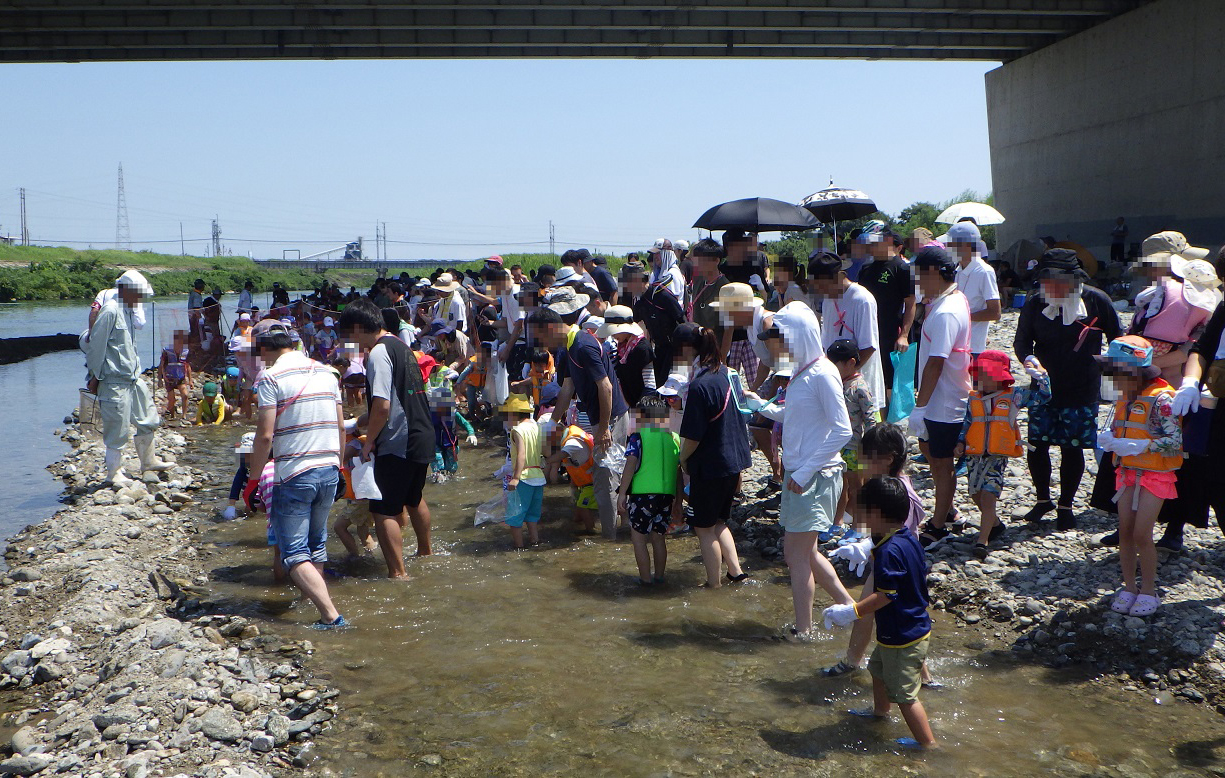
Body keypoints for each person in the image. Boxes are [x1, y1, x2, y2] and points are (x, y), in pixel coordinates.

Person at [743, 304, 853, 636]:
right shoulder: (804, 371)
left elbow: (843, 430)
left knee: (795, 555)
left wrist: (804, 473)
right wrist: (762, 407)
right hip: (800, 474)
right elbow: (797, 415)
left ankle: (803, 632)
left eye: (779, 340)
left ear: (798, 337)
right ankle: (853, 609)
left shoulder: (823, 372)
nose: (776, 347)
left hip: (814, 476)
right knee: (806, 552)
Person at [822, 476, 937, 750]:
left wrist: (852, 612)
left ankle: (928, 744)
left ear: (876, 513)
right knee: (878, 670)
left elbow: (886, 596)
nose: (858, 515)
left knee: (905, 695)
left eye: (862, 510)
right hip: (908, 628)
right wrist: (867, 550)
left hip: (902, 635)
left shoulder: (889, 551)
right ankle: (880, 714)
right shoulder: (904, 537)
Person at [248, 318, 347, 629]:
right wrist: (340, 466)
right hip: (329, 467)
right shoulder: (327, 372)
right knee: (316, 544)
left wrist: (252, 481)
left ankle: (331, 616)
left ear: (264, 348)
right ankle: (311, 601)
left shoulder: (270, 377)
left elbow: (264, 436)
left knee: (292, 554)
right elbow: (341, 425)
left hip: (295, 473)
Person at [1014, 248, 1121, 531]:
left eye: (1060, 282)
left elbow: (1119, 340)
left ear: (1074, 280)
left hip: (1082, 385)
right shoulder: (1036, 303)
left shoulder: (1097, 301)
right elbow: (1022, 342)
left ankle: (1066, 504)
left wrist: (1113, 372)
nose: (1053, 288)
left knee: (1072, 448)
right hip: (1044, 385)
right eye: (1048, 282)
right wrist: (1029, 360)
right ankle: (1042, 499)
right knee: (1037, 445)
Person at [338, 298, 437, 578]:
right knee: (414, 497)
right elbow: (393, 402)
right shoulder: (401, 346)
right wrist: (357, 422)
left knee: (384, 509)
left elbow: (382, 406)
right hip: (421, 434)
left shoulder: (379, 353)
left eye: (347, 334)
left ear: (358, 328)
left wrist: (368, 444)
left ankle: (398, 574)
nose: (348, 342)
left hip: (398, 441)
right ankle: (425, 554)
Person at [822, 424, 929, 681]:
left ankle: (853, 662)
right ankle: (923, 678)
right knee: (894, 619)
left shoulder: (900, 492)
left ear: (888, 459)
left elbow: (898, 534)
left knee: (873, 612)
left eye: (866, 459)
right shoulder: (886, 484)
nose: (861, 465)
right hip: (885, 559)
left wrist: (865, 546)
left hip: (897, 566)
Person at [1097, 336, 1182, 617]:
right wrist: (1110, 438)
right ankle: (1128, 587)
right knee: (1125, 531)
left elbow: (1176, 440)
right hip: (1127, 472)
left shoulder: (1163, 397)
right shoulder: (1124, 395)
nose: (1110, 375)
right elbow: (1119, 427)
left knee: (1142, 533)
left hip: (1155, 474)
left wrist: (1142, 445)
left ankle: (1149, 590)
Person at [534, 305, 630, 539]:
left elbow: (605, 386)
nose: (541, 344)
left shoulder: (582, 345)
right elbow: (568, 388)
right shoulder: (566, 349)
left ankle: (611, 540)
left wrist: (604, 428)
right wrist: (552, 423)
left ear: (551, 328)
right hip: (601, 418)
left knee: (604, 480)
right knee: (606, 476)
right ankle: (623, 528)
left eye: (541, 337)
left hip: (611, 418)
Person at [954, 351, 1051, 559]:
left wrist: (1041, 376)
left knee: (989, 497)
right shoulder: (973, 399)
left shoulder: (1014, 396)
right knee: (975, 495)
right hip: (974, 456)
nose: (980, 380)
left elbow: (1044, 397)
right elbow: (967, 422)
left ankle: (982, 541)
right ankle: (996, 525)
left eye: (986, 375)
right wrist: (960, 442)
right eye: (978, 375)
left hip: (996, 458)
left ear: (1000, 377)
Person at [907, 246, 973, 550]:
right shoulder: (950, 301)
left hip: (945, 401)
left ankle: (938, 524)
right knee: (931, 454)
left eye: (920, 274)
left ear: (934, 272)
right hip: (941, 396)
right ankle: (948, 510)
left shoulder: (947, 311)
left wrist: (920, 407)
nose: (918, 282)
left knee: (941, 463)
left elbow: (936, 362)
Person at [675, 324, 751, 588]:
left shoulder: (698, 386)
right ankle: (736, 572)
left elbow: (693, 437)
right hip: (733, 462)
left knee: (703, 528)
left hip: (709, 467)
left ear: (688, 349)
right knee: (719, 521)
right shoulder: (728, 375)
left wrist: (683, 459)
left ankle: (713, 584)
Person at [86, 270, 172, 485]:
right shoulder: (111, 310)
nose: (141, 300)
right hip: (114, 380)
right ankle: (114, 473)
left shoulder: (128, 310)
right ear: (125, 290)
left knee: (148, 417)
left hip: (133, 378)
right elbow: (96, 346)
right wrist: (94, 377)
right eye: (139, 295)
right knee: (118, 427)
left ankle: (149, 461)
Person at [809, 250, 886, 416]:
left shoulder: (862, 299)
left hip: (861, 381)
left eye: (822, 285)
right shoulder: (829, 301)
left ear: (838, 276)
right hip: (836, 382)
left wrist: (846, 375)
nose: (821, 291)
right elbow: (826, 343)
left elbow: (869, 346)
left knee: (868, 435)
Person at [617, 394, 682, 585]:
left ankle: (645, 581)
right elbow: (678, 473)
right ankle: (660, 578)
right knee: (658, 538)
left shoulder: (638, 437)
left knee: (638, 539)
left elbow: (631, 463)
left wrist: (622, 492)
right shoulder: (674, 439)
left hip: (643, 494)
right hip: (666, 496)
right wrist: (678, 501)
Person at [826, 338, 876, 543]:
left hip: (856, 447)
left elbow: (872, 417)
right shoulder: (838, 383)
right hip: (839, 446)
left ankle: (860, 526)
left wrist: (871, 445)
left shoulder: (860, 387)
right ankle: (837, 522)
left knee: (857, 487)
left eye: (836, 364)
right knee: (840, 486)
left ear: (851, 362)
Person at [858, 229, 917, 402]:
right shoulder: (866, 268)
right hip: (868, 330)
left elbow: (910, 302)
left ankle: (890, 423)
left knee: (890, 379)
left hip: (890, 330)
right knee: (869, 374)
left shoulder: (902, 268)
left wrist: (904, 335)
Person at [946, 221, 1002, 357]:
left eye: (951, 244)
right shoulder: (957, 270)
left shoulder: (984, 271)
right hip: (955, 344)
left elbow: (995, 312)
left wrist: (963, 319)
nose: (948, 248)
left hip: (974, 347)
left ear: (966, 245)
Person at [501, 394, 545, 548]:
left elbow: (521, 454)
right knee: (532, 516)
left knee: (515, 516)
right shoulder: (536, 426)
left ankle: (518, 548)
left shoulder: (517, 430)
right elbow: (542, 450)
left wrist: (515, 477)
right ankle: (535, 541)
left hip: (524, 477)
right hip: (538, 476)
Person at [599, 305, 655, 407]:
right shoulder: (622, 347)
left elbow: (650, 384)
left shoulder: (642, 349)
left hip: (640, 408)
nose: (613, 335)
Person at [547, 424, 599, 534]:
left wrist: (547, 460)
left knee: (583, 506)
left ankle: (591, 531)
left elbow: (564, 453)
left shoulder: (573, 440)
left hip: (591, 482)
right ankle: (579, 524)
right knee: (577, 514)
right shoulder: (567, 437)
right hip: (582, 483)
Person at [159, 331, 192, 419]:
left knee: (185, 395)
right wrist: (160, 379)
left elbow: (188, 366)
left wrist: (190, 380)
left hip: (180, 377)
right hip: (169, 378)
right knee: (171, 399)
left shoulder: (186, 352)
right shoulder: (167, 352)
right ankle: (172, 415)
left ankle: (184, 416)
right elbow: (161, 365)